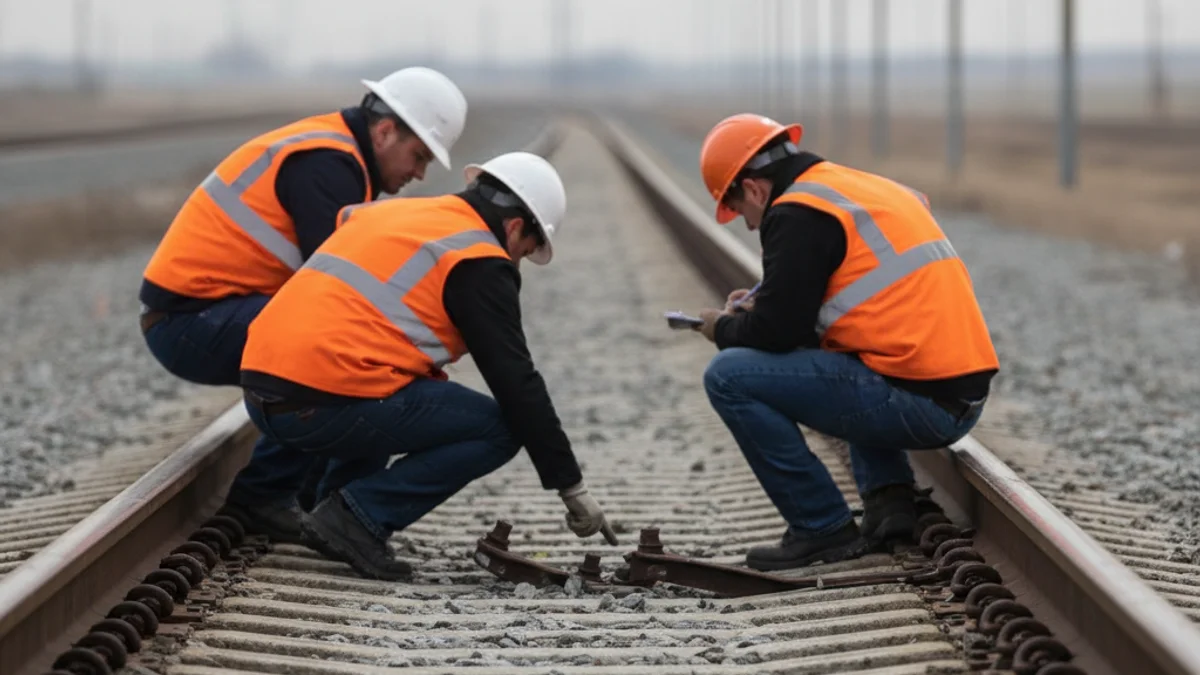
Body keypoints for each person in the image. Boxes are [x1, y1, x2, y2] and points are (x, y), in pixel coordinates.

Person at [235, 151, 617, 580]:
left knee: (396, 378)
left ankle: (316, 503)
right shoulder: (478, 258)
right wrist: (570, 485)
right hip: (320, 406)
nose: (517, 263)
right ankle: (356, 519)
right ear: (514, 228)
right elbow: (516, 383)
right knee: (502, 428)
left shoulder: (402, 214)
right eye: (525, 252)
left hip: (260, 394)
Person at [137, 66, 469, 543]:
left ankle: (318, 496)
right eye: (418, 156)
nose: (418, 173)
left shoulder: (341, 156)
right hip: (191, 321)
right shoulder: (327, 163)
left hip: (210, 313)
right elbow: (341, 298)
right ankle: (265, 496)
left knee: (357, 348)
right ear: (384, 130)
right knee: (335, 345)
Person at [687, 113, 999, 571]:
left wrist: (722, 328)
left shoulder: (794, 212)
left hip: (923, 404)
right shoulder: (851, 189)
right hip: (959, 393)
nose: (750, 227)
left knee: (728, 376)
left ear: (753, 188)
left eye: (742, 213)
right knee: (846, 351)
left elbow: (778, 334)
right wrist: (768, 307)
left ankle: (820, 527)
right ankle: (890, 501)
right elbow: (855, 304)